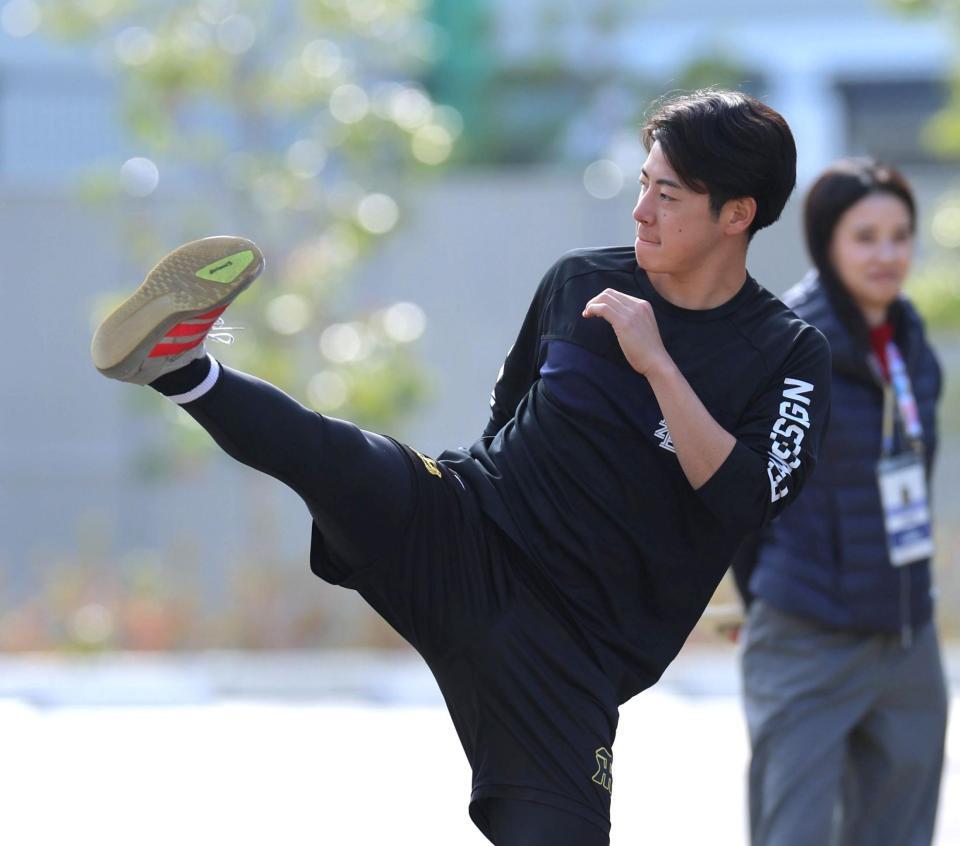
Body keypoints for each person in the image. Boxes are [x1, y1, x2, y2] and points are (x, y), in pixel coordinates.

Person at [91, 90, 831, 845]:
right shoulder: (579, 281)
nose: (641, 209)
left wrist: (658, 368)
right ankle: (178, 364)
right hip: (469, 529)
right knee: (335, 456)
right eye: (643, 183)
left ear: (737, 214)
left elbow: (746, 500)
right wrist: (446, 502)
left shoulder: (788, 354)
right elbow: (506, 414)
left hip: (572, 652)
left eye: (667, 194)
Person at [734, 159, 947, 846]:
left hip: (907, 634)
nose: (887, 255)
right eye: (865, 237)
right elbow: (745, 495)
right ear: (827, 243)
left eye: (899, 235)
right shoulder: (787, 347)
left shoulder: (913, 346)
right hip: (807, 634)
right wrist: (766, 597)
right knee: (790, 834)